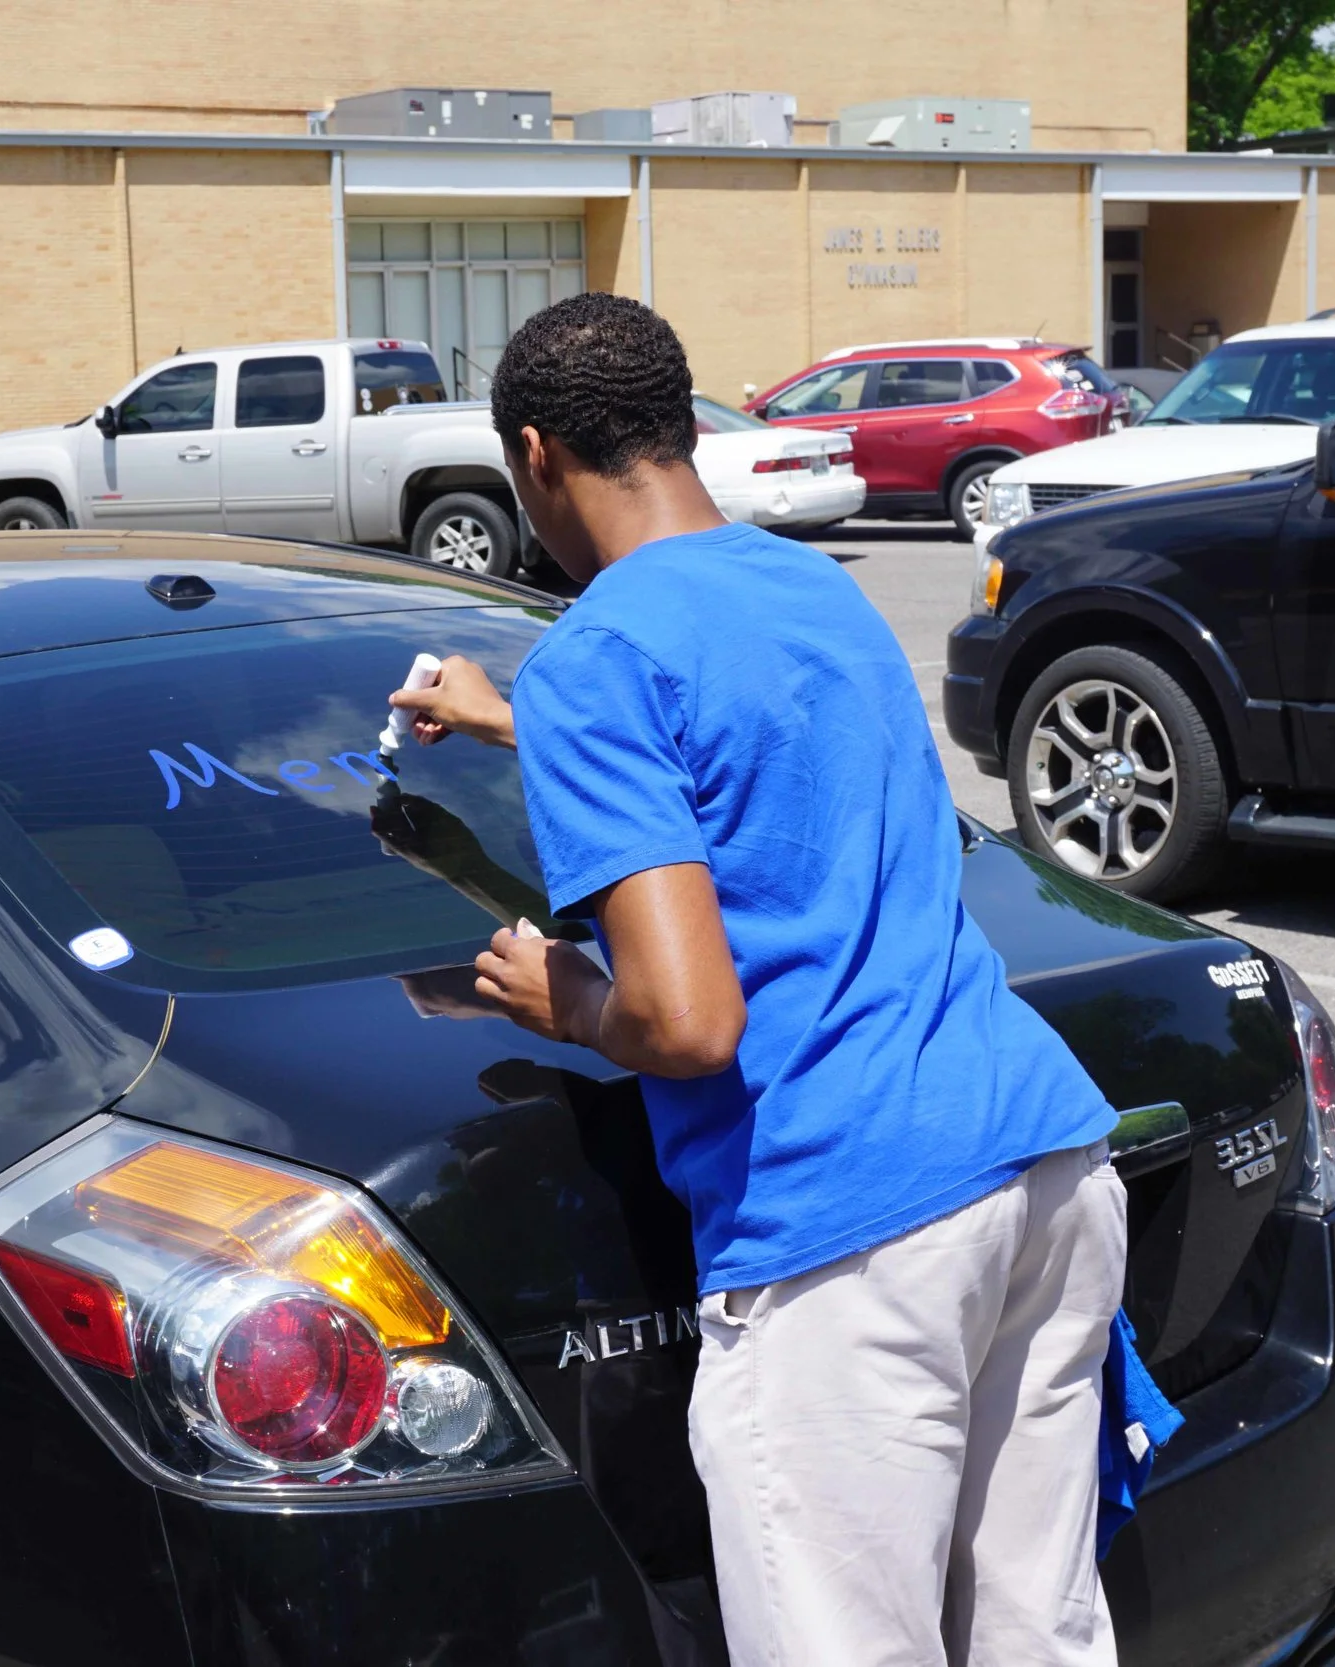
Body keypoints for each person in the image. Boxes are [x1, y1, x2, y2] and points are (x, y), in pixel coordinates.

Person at [391, 292, 1127, 1667]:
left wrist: (571, 1001)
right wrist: (521, 719)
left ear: (536, 457)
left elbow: (687, 1021)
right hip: (1040, 1160)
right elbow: (754, 755)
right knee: (1039, 1630)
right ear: (679, 426)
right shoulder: (811, 586)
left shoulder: (599, 656)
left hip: (852, 1230)